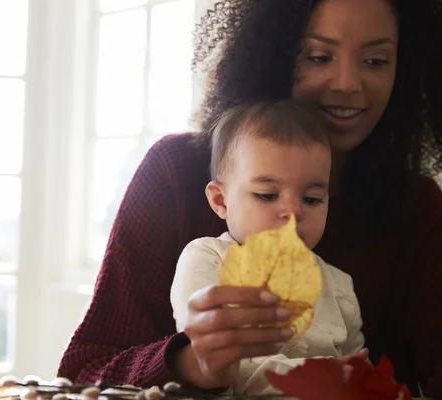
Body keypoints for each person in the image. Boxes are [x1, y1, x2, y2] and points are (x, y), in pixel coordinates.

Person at [57, 0, 442, 397]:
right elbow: (83, 374)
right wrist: (191, 363)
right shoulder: (176, 174)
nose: (347, 83)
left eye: (377, 61)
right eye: (318, 56)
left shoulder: (417, 208)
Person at [170, 100, 365, 395]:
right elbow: (229, 366)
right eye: (267, 195)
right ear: (221, 201)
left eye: (311, 199)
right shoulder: (207, 259)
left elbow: (355, 367)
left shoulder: (339, 284)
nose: (292, 212)